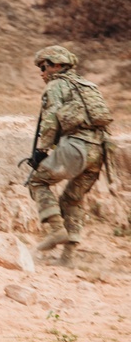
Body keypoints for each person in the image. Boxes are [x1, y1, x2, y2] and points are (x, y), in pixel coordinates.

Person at [28, 45, 111, 265]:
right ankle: (68, 258)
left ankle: (56, 230)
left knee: (37, 182)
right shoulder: (88, 85)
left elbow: (50, 119)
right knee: (72, 199)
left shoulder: (56, 85)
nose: (42, 73)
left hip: (77, 147)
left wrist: (41, 150)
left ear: (57, 65)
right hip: (99, 150)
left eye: (44, 66)